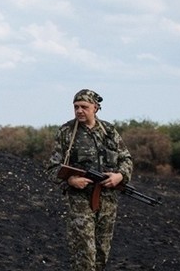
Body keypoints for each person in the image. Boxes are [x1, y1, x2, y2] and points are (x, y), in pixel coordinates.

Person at [44, 89, 133, 271]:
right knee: (84, 253)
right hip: (79, 201)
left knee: (101, 253)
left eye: (84, 107)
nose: (79, 111)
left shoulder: (109, 131)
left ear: (95, 108)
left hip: (107, 200)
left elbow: (126, 159)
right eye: (76, 107)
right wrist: (70, 181)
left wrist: (120, 176)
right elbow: (53, 169)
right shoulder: (66, 132)